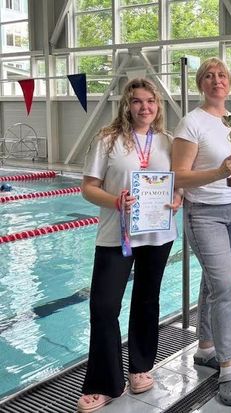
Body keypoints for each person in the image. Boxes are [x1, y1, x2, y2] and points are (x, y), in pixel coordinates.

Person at [78, 78, 180, 413]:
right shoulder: (108, 140)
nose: (144, 107)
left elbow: (178, 182)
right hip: (115, 235)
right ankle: (105, 383)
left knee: (147, 301)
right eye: (137, 101)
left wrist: (178, 196)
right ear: (127, 105)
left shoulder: (167, 141)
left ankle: (140, 367)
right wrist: (115, 201)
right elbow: (88, 188)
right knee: (104, 307)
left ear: (157, 105)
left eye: (150, 101)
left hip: (157, 235)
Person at [172, 57, 231, 407]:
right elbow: (178, 175)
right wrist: (218, 173)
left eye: (221, 75)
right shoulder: (191, 123)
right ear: (200, 84)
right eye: (208, 76)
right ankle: (228, 369)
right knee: (225, 286)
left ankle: (205, 348)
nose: (216, 80)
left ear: (229, 82)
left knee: (213, 282)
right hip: (204, 212)